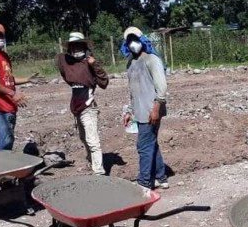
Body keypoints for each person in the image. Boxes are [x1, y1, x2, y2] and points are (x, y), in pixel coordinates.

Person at [121, 26, 168, 199]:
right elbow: (133, 91)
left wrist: (156, 108)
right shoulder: (131, 62)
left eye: (136, 39)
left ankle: (145, 183)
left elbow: (161, 86)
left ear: (142, 40)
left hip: (151, 111)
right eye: (129, 40)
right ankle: (161, 177)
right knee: (151, 144)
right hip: (139, 111)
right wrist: (129, 111)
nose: (133, 43)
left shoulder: (151, 59)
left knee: (143, 146)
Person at [56, 32, 109, 175]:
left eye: (79, 47)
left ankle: (99, 171)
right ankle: (91, 161)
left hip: (88, 105)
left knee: (92, 139)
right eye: (73, 47)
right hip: (76, 105)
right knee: (83, 137)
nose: (76, 50)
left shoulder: (90, 63)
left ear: (85, 48)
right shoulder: (65, 61)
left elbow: (104, 82)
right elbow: (65, 75)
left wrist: (95, 64)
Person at [0, 23, 36, 150]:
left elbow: (7, 79)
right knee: (5, 140)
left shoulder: (4, 56)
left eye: (1, 35)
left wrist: (27, 80)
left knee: (8, 140)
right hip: (0, 107)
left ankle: (2, 165)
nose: (0, 38)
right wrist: (13, 94)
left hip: (10, 106)